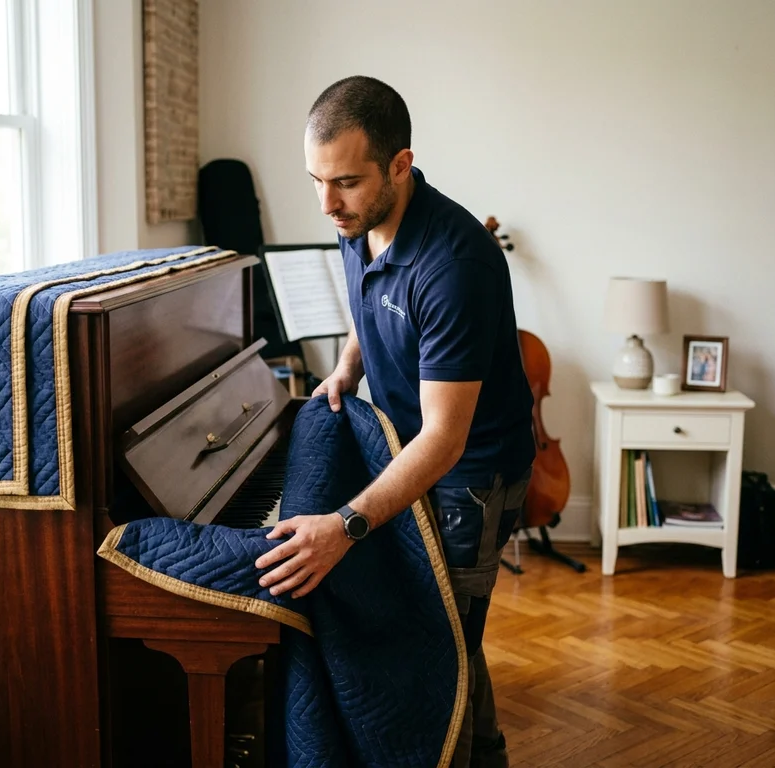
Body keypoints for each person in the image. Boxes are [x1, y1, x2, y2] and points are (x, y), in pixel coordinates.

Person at [255, 75, 536, 768]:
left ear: (400, 166)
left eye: (345, 182)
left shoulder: (454, 265)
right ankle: (487, 752)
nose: (327, 204)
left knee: (443, 652)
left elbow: (446, 437)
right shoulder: (360, 221)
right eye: (316, 180)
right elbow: (367, 300)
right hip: (411, 453)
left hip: (468, 478)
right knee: (449, 641)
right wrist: (349, 365)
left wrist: (344, 525)